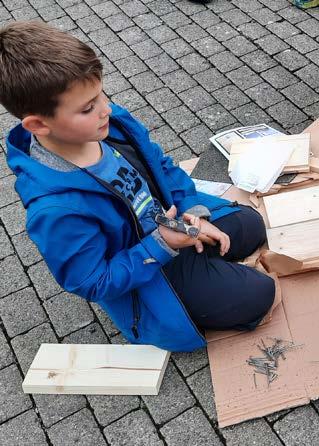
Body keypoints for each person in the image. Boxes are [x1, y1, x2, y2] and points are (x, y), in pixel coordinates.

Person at [1, 21, 275, 352]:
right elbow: (93, 281)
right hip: (148, 268)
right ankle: (201, 281)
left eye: (101, 94)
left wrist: (194, 213)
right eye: (87, 108)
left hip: (174, 226)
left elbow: (163, 167)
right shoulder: (56, 209)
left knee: (252, 223)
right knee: (261, 296)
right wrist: (161, 245)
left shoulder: (112, 125)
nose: (105, 109)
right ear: (38, 124)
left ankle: (207, 270)